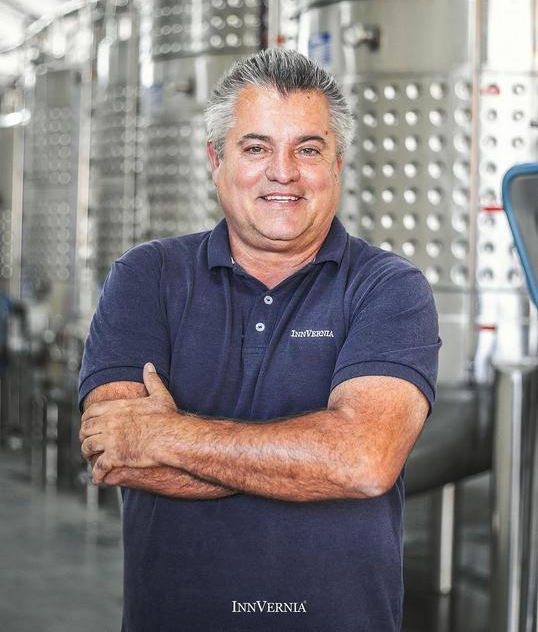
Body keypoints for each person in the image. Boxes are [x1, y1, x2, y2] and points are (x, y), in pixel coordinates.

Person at [78, 48, 441, 632]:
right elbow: (114, 451)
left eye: (308, 149)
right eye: (256, 148)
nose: (283, 172)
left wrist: (163, 433)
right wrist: (307, 458)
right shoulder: (147, 276)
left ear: (338, 164)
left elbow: (364, 461)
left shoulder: (388, 287)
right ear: (215, 160)